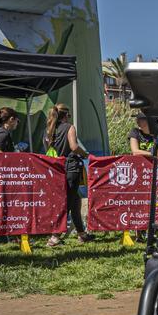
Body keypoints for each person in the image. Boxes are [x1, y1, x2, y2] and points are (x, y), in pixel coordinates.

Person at [44, 103, 90, 246]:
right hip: (71, 168)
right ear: (66, 115)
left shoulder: (48, 130)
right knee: (67, 203)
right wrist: (85, 154)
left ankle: (82, 234)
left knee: (74, 200)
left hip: (56, 168)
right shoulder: (69, 127)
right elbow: (74, 147)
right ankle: (55, 236)